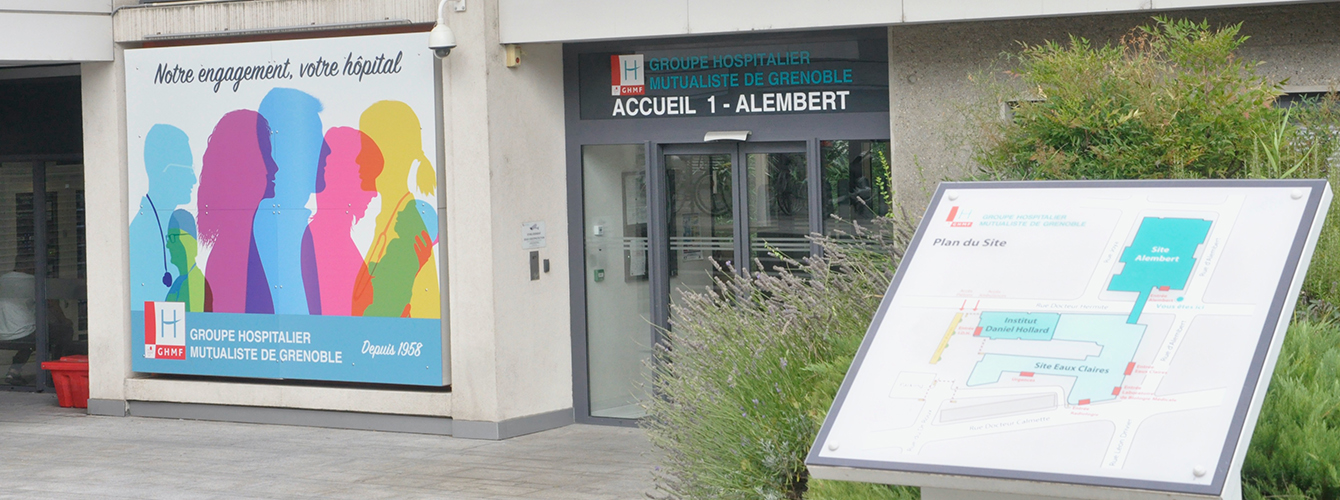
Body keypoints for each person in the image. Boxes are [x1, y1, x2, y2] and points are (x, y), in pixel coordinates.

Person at [0, 263, 35, 385]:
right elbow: (50, 303)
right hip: (23, 333)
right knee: (52, 335)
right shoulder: (32, 280)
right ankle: (52, 375)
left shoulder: (3, 279)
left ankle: (14, 371)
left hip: (2, 333)